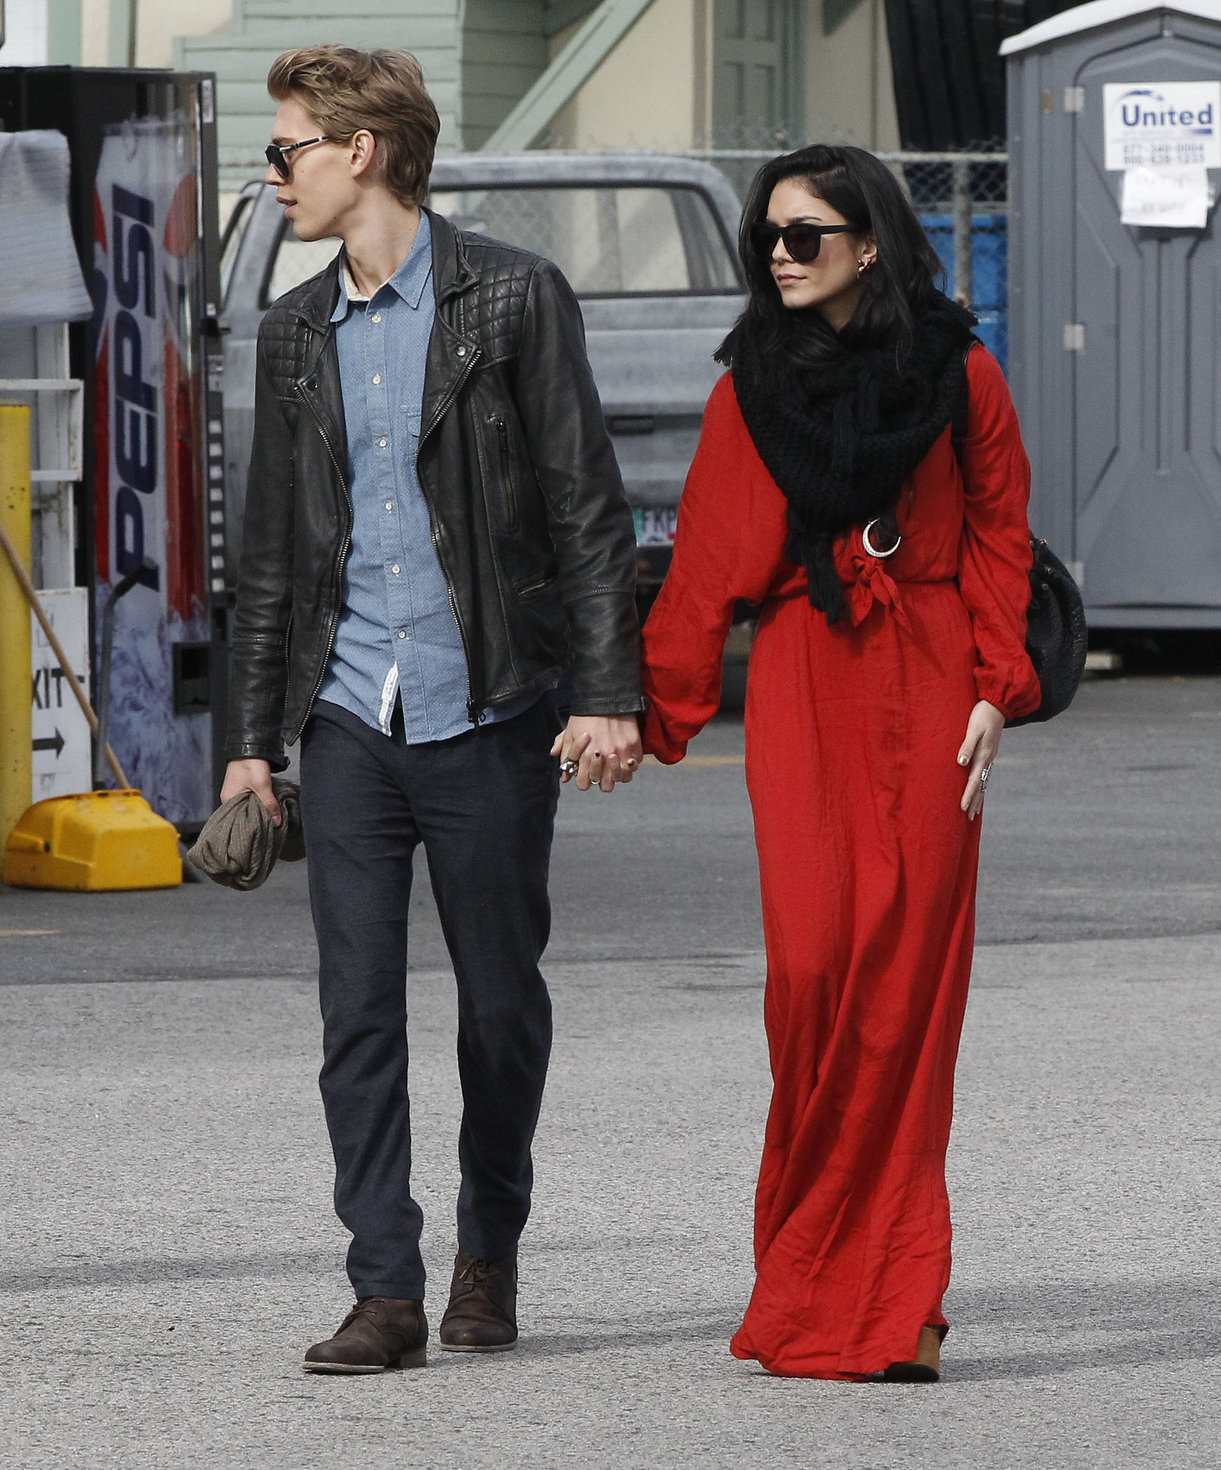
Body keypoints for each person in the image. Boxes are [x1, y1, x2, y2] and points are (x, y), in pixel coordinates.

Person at [221, 44, 643, 1374]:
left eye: (287, 148)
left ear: (364, 150)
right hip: (348, 719)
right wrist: (248, 742)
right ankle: (384, 1286)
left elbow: (586, 511)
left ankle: (489, 1248)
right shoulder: (292, 334)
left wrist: (609, 694)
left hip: (488, 710)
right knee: (356, 1007)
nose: (272, 171)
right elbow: (273, 556)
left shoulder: (512, 298)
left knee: (500, 1003)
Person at [640, 144, 1040, 1382]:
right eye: (770, 235)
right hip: (810, 677)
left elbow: (998, 533)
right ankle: (811, 1272)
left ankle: (902, 1298)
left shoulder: (961, 371)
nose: (779, 254)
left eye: (806, 234)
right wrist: (641, 706)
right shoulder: (750, 385)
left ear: (870, 245)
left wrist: (993, 688)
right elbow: (708, 557)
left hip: (931, 685)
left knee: (906, 989)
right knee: (815, 970)